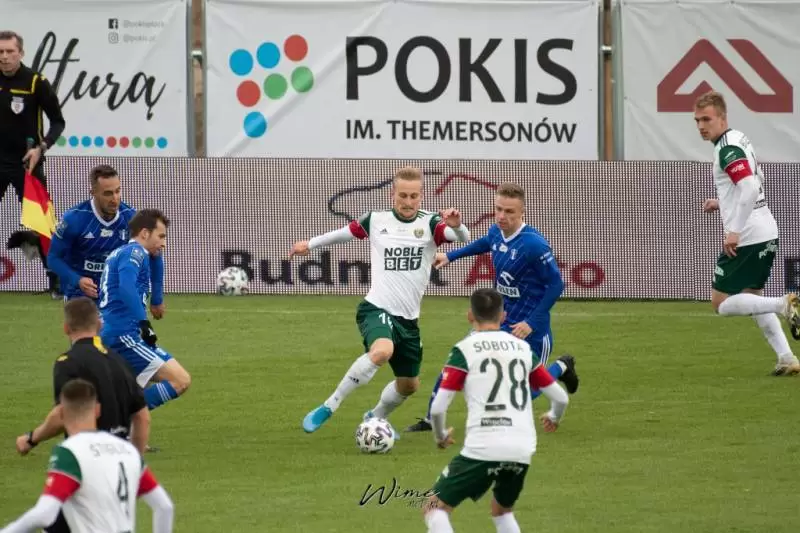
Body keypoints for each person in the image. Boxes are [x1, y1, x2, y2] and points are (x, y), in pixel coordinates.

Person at [290, 166, 470, 434]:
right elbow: (344, 233)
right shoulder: (375, 220)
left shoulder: (431, 223)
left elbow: (461, 237)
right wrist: (310, 244)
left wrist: (458, 225)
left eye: (414, 196)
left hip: (408, 321)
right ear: (392, 194)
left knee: (409, 385)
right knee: (382, 351)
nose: (408, 202)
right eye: (403, 195)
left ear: (421, 196)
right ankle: (330, 405)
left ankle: (374, 417)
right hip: (376, 308)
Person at [407, 182, 579, 433]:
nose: (501, 216)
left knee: (522, 395)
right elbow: (486, 242)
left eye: (509, 211)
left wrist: (531, 322)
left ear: (522, 212)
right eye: (498, 209)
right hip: (497, 320)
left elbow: (556, 285)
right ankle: (431, 419)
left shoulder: (534, 245)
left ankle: (562, 366)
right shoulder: (496, 230)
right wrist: (451, 256)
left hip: (530, 328)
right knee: (456, 362)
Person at [422, 288, 569, 533]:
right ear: (503, 316)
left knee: (433, 506)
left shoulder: (464, 350)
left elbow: (438, 409)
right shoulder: (522, 349)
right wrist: (554, 417)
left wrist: (440, 436)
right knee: (502, 510)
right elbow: (561, 398)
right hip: (521, 448)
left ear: (470, 315)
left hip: (483, 446)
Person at [694, 90, 800, 375]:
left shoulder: (726, 149)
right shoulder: (738, 139)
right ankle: (786, 358)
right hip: (766, 230)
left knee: (721, 303)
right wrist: (722, 202)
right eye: (697, 120)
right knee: (752, 297)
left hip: (749, 234)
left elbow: (751, 187)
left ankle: (784, 304)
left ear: (722, 118)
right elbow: (755, 180)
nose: (701, 126)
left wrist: (734, 230)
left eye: (707, 119)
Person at [1, 379, 174, 533]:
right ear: (97, 410)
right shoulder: (127, 450)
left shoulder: (70, 452)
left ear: (60, 413)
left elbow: (44, 514)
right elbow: (164, 507)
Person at [15, 296, 151, 459]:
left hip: (85, 459)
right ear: (99, 325)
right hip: (119, 460)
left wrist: (31, 439)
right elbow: (142, 417)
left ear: (66, 328)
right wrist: (135, 461)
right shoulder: (120, 361)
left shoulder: (68, 363)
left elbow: (63, 414)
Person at [98, 209, 191, 411]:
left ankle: (121, 425)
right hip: (123, 335)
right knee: (180, 380)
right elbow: (126, 287)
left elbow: (157, 263)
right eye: (161, 236)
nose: (164, 243)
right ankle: (117, 415)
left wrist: (156, 300)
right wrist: (144, 323)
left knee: (137, 390)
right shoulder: (135, 252)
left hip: (117, 332)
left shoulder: (126, 252)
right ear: (144, 233)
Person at [0, 30, 66, 296]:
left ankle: (56, 282)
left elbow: (58, 122)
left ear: (21, 53)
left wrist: (41, 148)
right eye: (0, 52)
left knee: (42, 223)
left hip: (27, 164)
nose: (4, 57)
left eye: (10, 51)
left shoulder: (36, 82)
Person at [46, 164, 165, 309]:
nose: (115, 198)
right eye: (108, 193)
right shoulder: (74, 219)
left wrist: (157, 299)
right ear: (93, 193)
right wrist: (77, 280)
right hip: (79, 295)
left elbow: (155, 255)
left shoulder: (132, 219)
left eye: (117, 191)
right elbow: (53, 258)